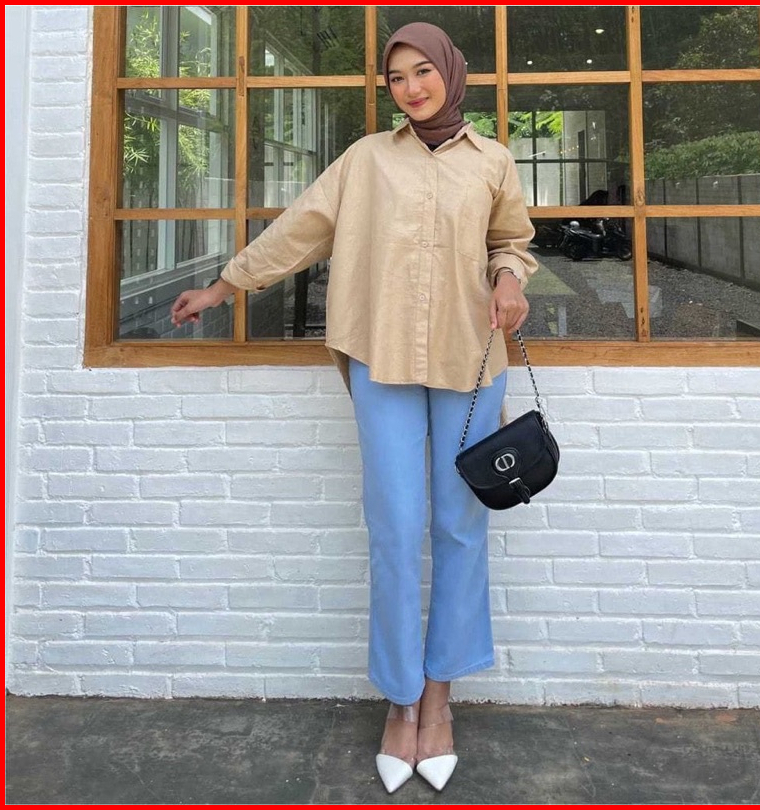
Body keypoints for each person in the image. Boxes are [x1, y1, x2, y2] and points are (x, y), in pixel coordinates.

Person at [171, 22, 537, 794]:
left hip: (471, 360)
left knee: (459, 527)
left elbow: (511, 241)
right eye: (397, 77)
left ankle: (439, 700)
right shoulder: (366, 159)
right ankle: (401, 702)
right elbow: (300, 230)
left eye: (422, 72)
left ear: (450, 73)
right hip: (381, 354)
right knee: (396, 529)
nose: (411, 88)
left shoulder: (494, 160)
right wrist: (225, 286)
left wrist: (509, 277)